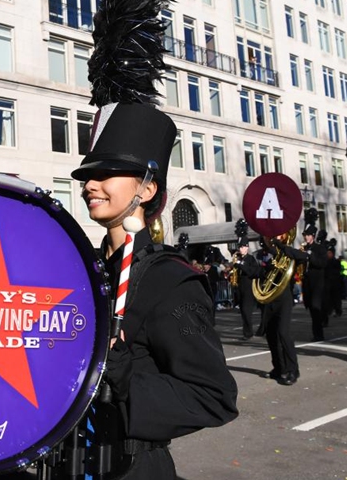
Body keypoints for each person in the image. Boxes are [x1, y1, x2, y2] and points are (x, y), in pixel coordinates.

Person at [70, 103, 238, 477]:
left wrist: (127, 377)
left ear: (146, 189)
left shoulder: (169, 280)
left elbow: (214, 397)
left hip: (131, 467)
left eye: (107, 174)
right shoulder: (85, 272)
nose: (89, 186)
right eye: (87, 176)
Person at [263, 233, 301, 386]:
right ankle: (279, 368)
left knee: (283, 333)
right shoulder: (267, 253)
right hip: (270, 297)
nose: (275, 237)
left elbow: (303, 256)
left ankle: (293, 370)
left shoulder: (289, 252)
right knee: (271, 334)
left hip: (284, 297)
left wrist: (282, 246)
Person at [293, 209, 328, 341]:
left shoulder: (319, 248)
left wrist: (310, 256)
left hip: (317, 282)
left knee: (315, 307)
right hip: (307, 282)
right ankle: (316, 333)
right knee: (312, 309)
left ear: (313, 235)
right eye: (305, 235)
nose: (306, 237)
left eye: (308, 235)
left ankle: (319, 334)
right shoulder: (304, 248)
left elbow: (322, 263)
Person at [234, 233, 261, 340]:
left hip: (249, 288)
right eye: (239, 247)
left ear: (247, 247)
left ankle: (248, 333)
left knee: (246, 311)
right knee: (242, 311)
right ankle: (246, 332)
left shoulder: (250, 259)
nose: (241, 249)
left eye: (243, 247)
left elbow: (252, 272)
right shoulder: (238, 258)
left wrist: (240, 265)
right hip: (240, 287)